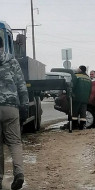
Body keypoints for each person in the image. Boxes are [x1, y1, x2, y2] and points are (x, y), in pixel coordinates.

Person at [0, 35, 29, 189]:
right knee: (15, 142)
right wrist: (24, 107)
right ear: (3, 46)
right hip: (11, 106)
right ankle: (19, 173)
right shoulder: (11, 60)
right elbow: (21, 85)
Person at [64, 65, 92, 130]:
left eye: (78, 68)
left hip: (76, 97)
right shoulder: (88, 78)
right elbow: (90, 90)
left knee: (74, 112)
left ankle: (74, 126)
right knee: (83, 113)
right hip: (85, 99)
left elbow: (72, 86)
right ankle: (82, 126)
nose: (77, 69)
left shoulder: (76, 76)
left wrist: (69, 95)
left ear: (80, 69)